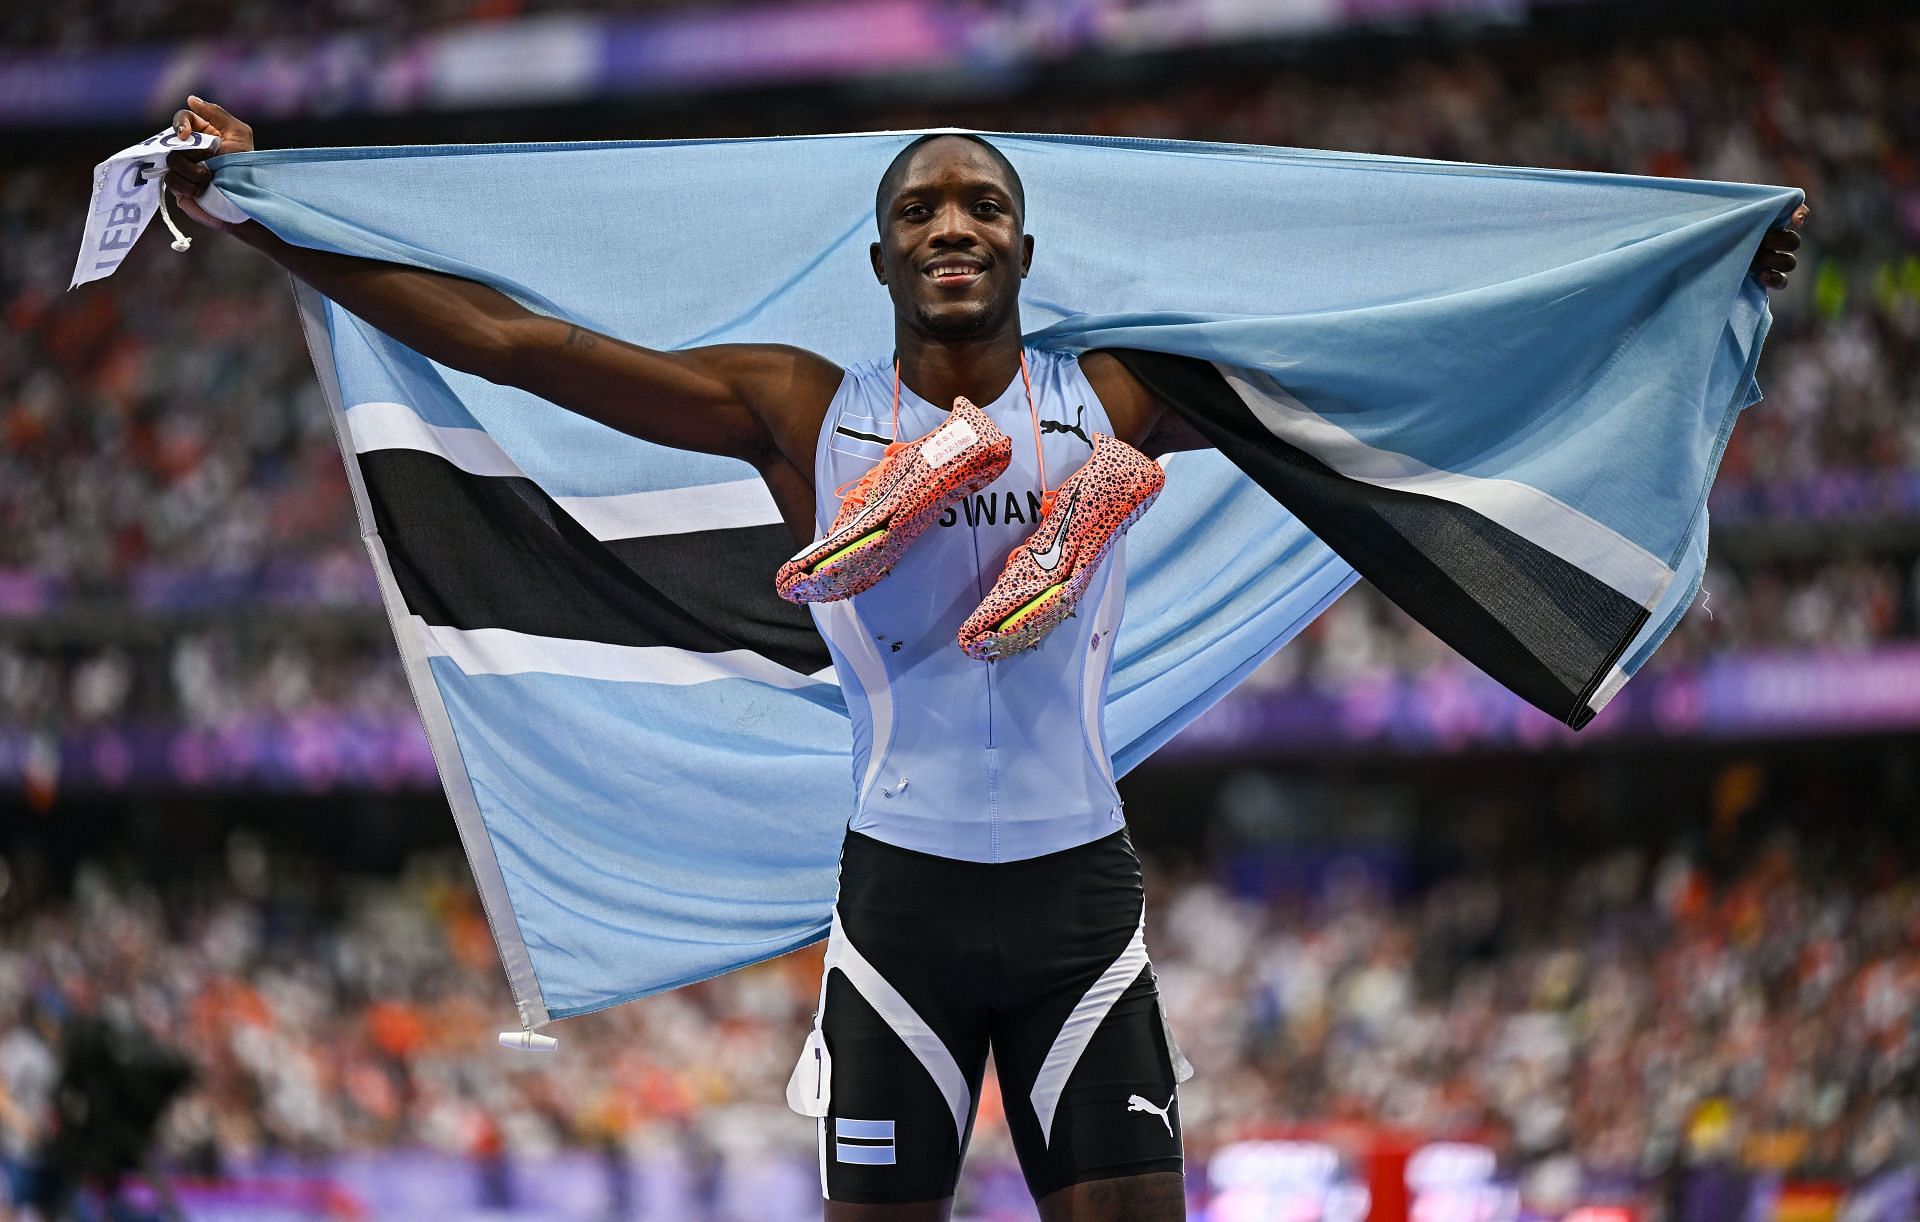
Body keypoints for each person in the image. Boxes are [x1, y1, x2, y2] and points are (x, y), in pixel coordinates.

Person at [162, 97, 1803, 1222]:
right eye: (921, 209)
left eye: (985, 206)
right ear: (881, 260)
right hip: (901, 920)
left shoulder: (1119, 395)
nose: (954, 223)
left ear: (1023, 254)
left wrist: (1681, 270)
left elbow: (1394, 328)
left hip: (1083, 907)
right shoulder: (796, 410)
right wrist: (257, 212)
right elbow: (514, 341)